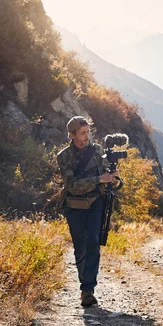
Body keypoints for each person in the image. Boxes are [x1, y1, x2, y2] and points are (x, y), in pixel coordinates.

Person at [57, 116, 118, 307]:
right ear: (72, 135)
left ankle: (87, 290)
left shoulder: (97, 151)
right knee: (80, 247)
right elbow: (72, 185)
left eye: (88, 132)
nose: (87, 136)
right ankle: (85, 285)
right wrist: (100, 179)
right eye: (82, 133)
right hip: (74, 206)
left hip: (95, 203)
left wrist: (114, 179)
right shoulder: (64, 156)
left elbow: (108, 176)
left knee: (93, 243)